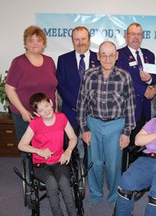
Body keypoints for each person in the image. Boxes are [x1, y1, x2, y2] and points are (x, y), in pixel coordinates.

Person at [77, 41, 136, 206]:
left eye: (111, 55)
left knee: (113, 164)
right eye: (104, 55)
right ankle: (95, 194)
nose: (108, 59)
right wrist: (84, 128)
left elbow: (130, 106)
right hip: (93, 124)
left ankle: (113, 195)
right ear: (98, 56)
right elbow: (81, 104)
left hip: (116, 126)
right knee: (94, 162)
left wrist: (127, 132)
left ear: (117, 56)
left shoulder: (124, 76)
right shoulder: (88, 75)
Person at [18, 92, 77, 216]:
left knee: (64, 182)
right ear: (36, 113)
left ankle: (73, 213)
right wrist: (38, 151)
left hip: (59, 161)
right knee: (51, 183)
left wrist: (68, 151)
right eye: (41, 110)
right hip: (41, 164)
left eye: (46, 106)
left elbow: (73, 138)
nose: (46, 111)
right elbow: (21, 145)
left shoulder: (61, 118)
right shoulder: (35, 123)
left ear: (51, 102)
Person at [5, 25, 58, 147]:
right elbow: (9, 89)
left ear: (43, 44)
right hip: (26, 115)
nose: (35, 43)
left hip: (47, 114)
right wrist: (23, 111)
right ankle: (28, 166)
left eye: (39, 40)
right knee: (29, 148)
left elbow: (53, 88)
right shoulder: (18, 62)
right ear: (25, 44)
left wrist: (55, 110)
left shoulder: (50, 61)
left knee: (48, 146)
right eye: (31, 40)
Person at [116, 22, 156, 171]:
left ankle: (136, 174)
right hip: (127, 109)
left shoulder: (149, 54)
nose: (136, 37)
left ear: (142, 36)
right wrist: (143, 90)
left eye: (138, 34)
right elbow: (124, 79)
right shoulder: (118, 55)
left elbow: (154, 78)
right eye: (132, 34)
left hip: (144, 109)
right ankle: (122, 177)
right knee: (124, 146)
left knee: (140, 145)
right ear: (126, 36)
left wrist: (149, 81)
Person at [56, 26, 100, 168]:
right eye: (77, 39)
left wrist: (90, 106)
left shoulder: (99, 58)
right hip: (71, 110)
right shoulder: (63, 59)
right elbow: (61, 85)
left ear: (89, 40)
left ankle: (89, 168)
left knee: (91, 144)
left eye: (83, 39)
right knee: (68, 142)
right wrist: (77, 105)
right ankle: (69, 169)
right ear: (72, 41)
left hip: (93, 112)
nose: (80, 42)